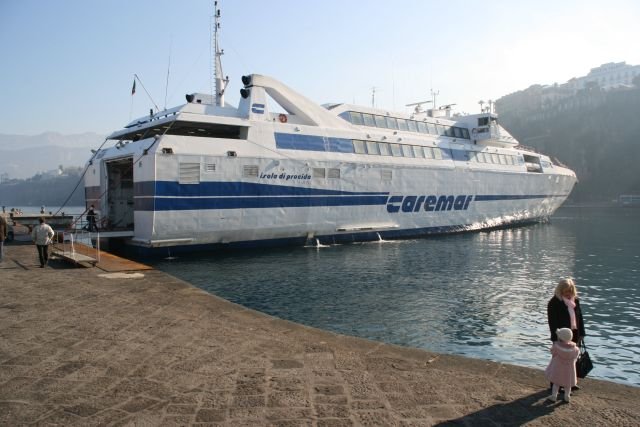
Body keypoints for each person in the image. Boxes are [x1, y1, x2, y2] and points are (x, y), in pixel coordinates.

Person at [547, 278, 586, 390]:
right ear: (560, 291)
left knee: (572, 360)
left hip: (574, 334)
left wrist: (582, 333)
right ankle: (555, 384)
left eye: (569, 291)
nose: (568, 294)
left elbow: (580, 318)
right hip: (561, 336)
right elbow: (552, 322)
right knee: (558, 362)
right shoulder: (554, 303)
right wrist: (556, 337)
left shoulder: (575, 301)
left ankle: (570, 383)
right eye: (565, 291)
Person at [545, 327, 580, 403]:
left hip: (558, 368)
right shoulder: (575, 349)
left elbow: (552, 352)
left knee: (556, 383)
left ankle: (554, 396)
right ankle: (567, 396)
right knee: (568, 384)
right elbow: (576, 357)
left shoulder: (556, 346)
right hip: (569, 369)